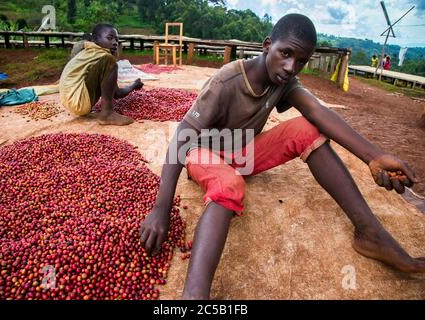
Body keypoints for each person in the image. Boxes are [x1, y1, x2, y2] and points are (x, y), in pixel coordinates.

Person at [139, 14, 424, 300]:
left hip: (242, 154)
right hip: (203, 152)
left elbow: (318, 112)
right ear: (267, 46)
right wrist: (161, 209)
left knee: (307, 128)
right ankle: (194, 296)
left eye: (301, 61)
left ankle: (370, 233)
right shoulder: (227, 80)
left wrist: (373, 157)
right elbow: (183, 137)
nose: (290, 67)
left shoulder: (284, 82)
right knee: (228, 185)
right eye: (285, 53)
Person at [59, 23, 143, 125]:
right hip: (78, 101)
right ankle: (107, 114)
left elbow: (116, 93)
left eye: (116, 39)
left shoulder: (91, 53)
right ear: (95, 40)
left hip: (75, 102)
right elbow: (116, 93)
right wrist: (134, 85)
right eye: (110, 38)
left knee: (108, 60)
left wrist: (133, 85)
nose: (115, 43)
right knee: (109, 59)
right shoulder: (103, 57)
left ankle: (106, 112)